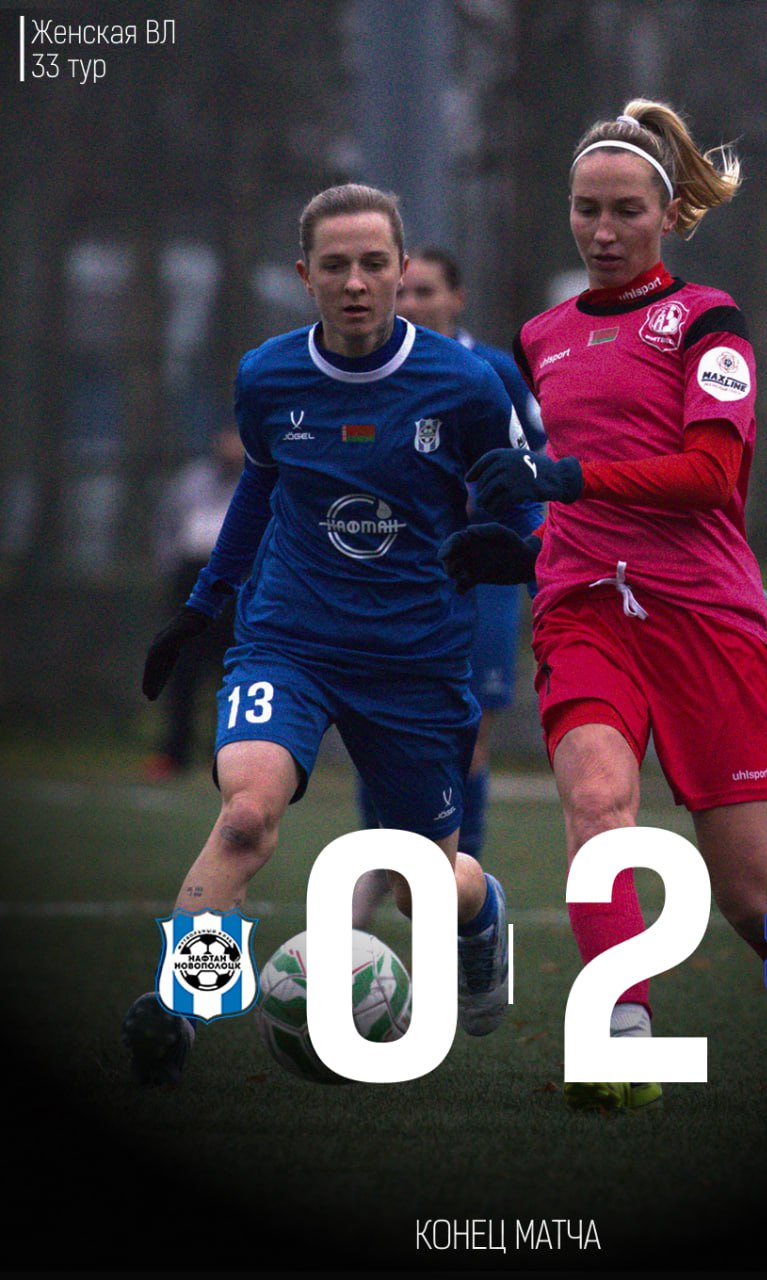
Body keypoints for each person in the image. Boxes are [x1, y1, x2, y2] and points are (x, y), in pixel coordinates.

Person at [439, 98, 767, 1113]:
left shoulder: (710, 321)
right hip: (583, 605)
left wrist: (564, 479)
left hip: (705, 616)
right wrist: (522, 544)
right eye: (585, 209)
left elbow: (711, 477)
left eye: (625, 210)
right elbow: (563, 483)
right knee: (597, 804)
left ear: (669, 214)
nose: (601, 230)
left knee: (748, 892)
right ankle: (623, 1042)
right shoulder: (540, 336)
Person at [121, 182, 543, 1085]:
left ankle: (479, 913)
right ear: (304, 275)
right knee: (245, 815)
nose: (356, 283)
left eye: (374, 264)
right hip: (291, 639)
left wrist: (519, 551)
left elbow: (521, 498)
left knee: (423, 882)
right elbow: (261, 484)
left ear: (401, 270)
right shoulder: (267, 376)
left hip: (415, 659)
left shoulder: (465, 384)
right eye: (336, 265)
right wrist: (202, 605)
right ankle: (183, 1005)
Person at [351, 246, 545, 928]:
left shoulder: (490, 371)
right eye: (402, 292)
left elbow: (536, 462)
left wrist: (521, 540)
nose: (411, 304)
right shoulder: (370, 370)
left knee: (469, 735)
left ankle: (464, 888)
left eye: (425, 291)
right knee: (375, 728)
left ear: (457, 298)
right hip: (393, 574)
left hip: (480, 576)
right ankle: (380, 871)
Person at [142, 426, 246, 781]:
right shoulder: (191, 480)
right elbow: (167, 525)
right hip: (191, 577)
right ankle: (175, 752)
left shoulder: (254, 481)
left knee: (232, 671)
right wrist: (172, 570)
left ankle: (227, 753)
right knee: (183, 669)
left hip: (236, 584)